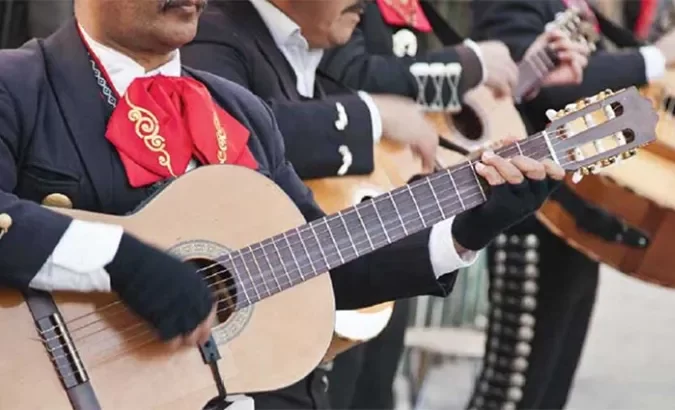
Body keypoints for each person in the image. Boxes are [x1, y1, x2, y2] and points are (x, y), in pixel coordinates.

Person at [0, 0, 564, 410]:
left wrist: (465, 227)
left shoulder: (240, 110)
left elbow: (321, 260)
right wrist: (117, 260)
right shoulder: (18, 85)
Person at [315, 1, 590, 408]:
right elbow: (349, 72)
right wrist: (469, 63)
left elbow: (427, 105)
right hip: (334, 199)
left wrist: (524, 78)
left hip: (399, 212)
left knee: (375, 389)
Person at [466, 1, 675, 409]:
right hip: (532, 216)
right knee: (513, 390)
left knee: (550, 386)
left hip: (579, 214)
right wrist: (654, 57)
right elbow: (543, 84)